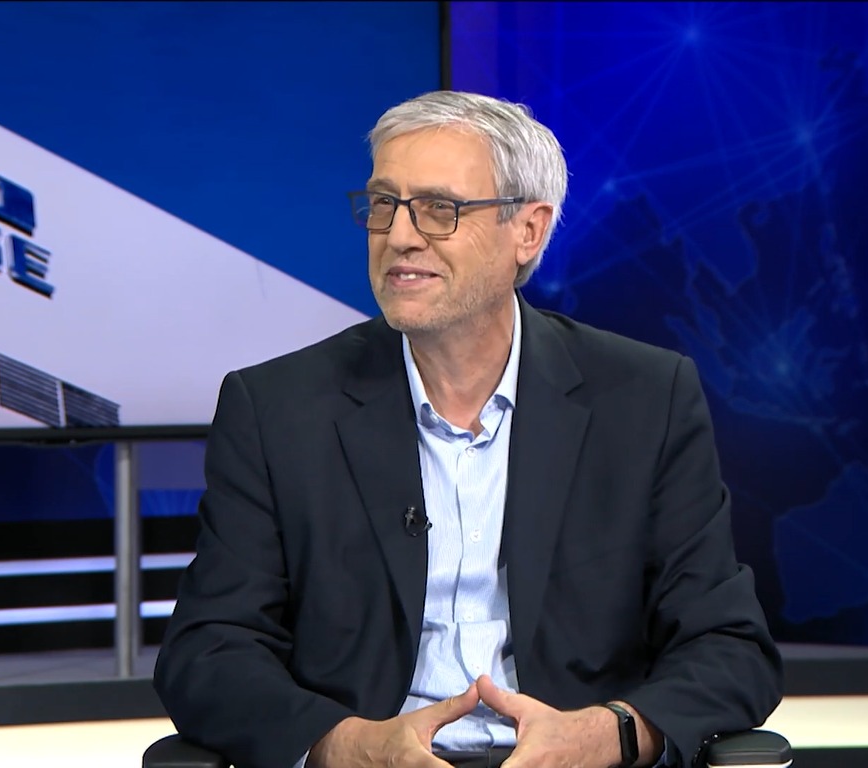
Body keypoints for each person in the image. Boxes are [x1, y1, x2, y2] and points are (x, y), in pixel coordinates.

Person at [154, 90, 782, 768]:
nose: (399, 236)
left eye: (438, 208)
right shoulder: (276, 408)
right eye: (383, 204)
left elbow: (729, 647)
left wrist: (605, 735)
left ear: (528, 231)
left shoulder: (644, 400)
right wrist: (350, 746)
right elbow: (207, 653)